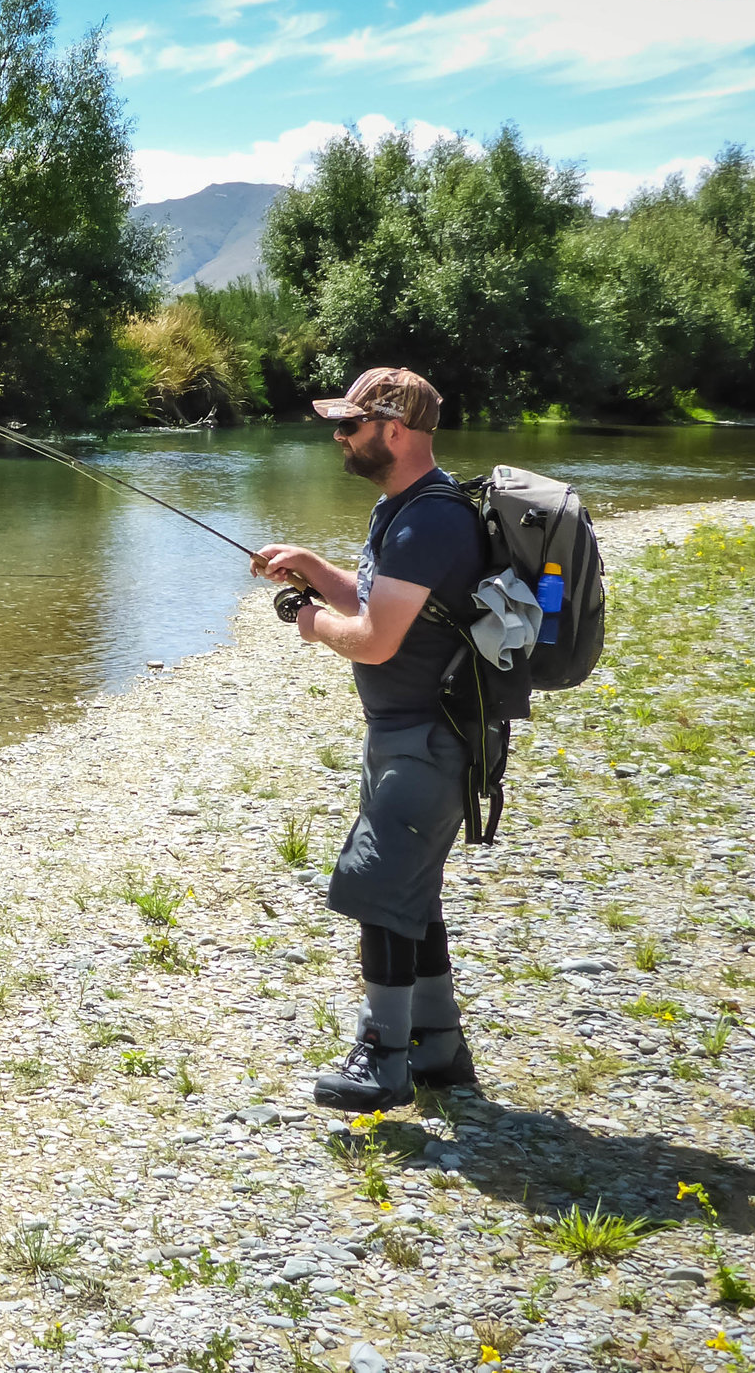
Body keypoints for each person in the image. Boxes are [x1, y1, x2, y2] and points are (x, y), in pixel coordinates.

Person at [250, 367, 485, 1112]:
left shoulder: (429, 519)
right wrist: (316, 571)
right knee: (413, 888)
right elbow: (386, 601)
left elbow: (378, 640)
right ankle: (439, 1045)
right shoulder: (402, 510)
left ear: (396, 429)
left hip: (431, 735)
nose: (338, 435)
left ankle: (383, 1057)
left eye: (351, 424)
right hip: (408, 732)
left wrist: (306, 619)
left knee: (381, 885)